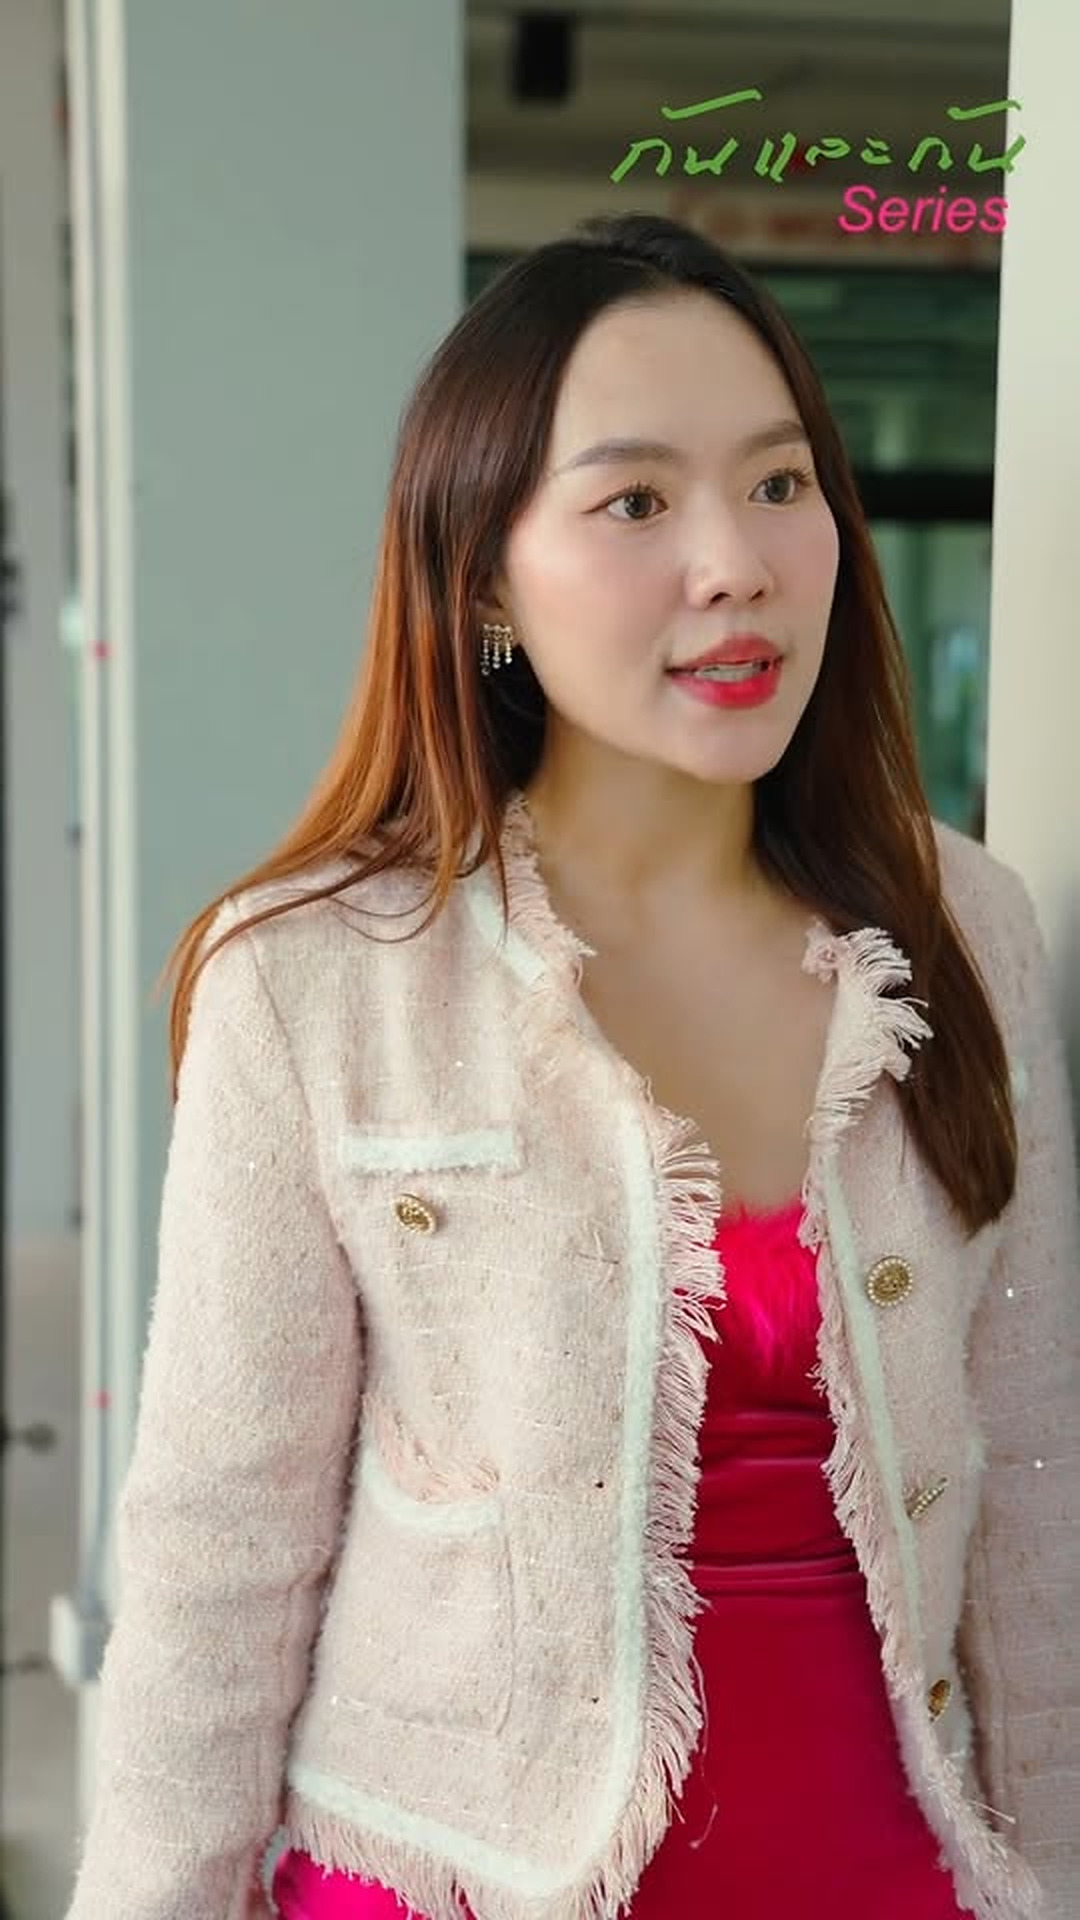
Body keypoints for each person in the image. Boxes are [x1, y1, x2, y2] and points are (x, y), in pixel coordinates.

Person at [64, 213, 1077, 1920]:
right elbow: (219, 1554)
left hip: (889, 1876)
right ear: (484, 584)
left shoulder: (963, 924)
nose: (734, 563)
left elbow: (1041, 1477)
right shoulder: (316, 974)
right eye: (634, 503)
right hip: (452, 1879)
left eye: (779, 483)